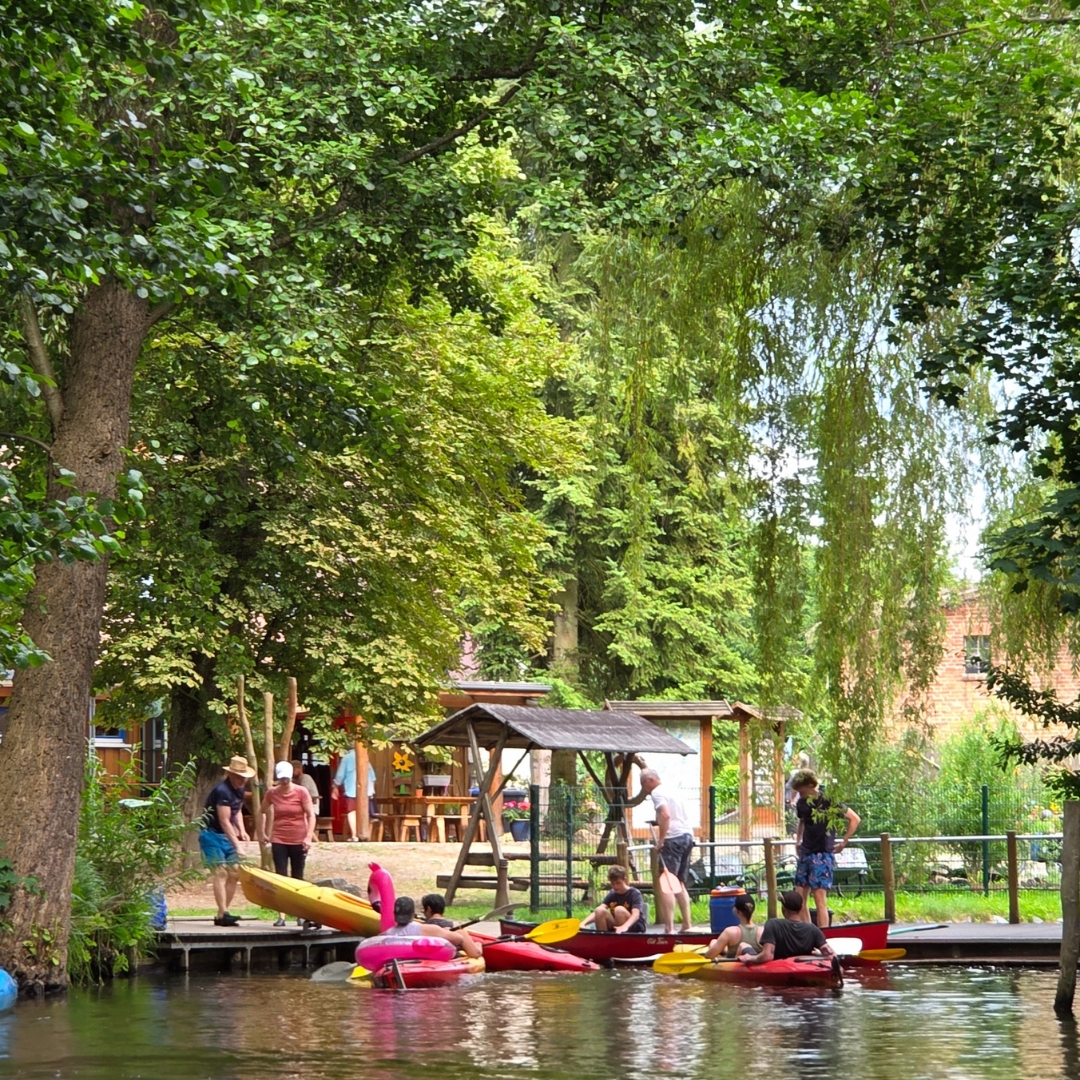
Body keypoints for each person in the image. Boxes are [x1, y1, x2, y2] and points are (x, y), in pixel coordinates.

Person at [791, 768, 861, 928]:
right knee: (799, 899)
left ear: (810, 785)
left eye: (802, 791)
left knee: (819, 900)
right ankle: (808, 934)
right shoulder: (802, 803)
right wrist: (798, 839)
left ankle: (823, 939)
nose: (800, 795)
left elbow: (854, 819)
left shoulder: (828, 801)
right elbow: (803, 820)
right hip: (805, 853)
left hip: (822, 854)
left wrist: (844, 842)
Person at [259, 759, 317, 926]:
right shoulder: (272, 793)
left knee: (298, 876)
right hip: (279, 838)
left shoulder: (301, 792)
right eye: (282, 779)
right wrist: (262, 832)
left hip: (298, 838)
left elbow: (311, 815)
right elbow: (261, 811)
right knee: (281, 876)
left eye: (287, 779)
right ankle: (282, 915)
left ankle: (299, 912)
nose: (285, 782)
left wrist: (308, 837)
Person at [199, 754, 254, 927]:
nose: (242, 780)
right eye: (239, 777)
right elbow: (224, 820)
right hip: (211, 834)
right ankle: (223, 913)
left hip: (226, 835)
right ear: (230, 774)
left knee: (235, 872)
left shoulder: (239, 789)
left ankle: (223, 913)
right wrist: (237, 845)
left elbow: (236, 810)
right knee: (220, 872)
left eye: (244, 777)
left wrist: (243, 830)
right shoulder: (222, 791)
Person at [639, 767, 695, 933]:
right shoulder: (672, 789)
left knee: (667, 882)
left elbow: (666, 815)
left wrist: (661, 840)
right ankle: (687, 924)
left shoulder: (657, 793)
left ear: (650, 780)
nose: (644, 788)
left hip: (673, 839)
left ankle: (669, 927)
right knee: (679, 882)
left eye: (643, 784)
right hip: (687, 835)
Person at [739, 890, 835, 965]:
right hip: (803, 967)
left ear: (783, 909)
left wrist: (749, 958)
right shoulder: (813, 929)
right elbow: (831, 955)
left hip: (777, 970)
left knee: (743, 945)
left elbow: (767, 956)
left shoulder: (773, 924)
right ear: (801, 908)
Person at [385, 897, 482, 958]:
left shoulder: (385, 935)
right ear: (412, 914)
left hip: (401, 963)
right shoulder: (428, 929)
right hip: (423, 964)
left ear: (394, 914)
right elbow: (459, 939)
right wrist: (447, 932)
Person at [582, 865, 647, 934]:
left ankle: (621, 940)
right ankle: (604, 941)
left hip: (633, 927)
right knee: (599, 910)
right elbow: (598, 910)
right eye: (613, 884)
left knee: (619, 910)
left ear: (624, 879)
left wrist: (625, 926)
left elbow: (636, 915)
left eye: (618, 883)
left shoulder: (634, 893)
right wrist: (583, 923)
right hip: (617, 926)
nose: (615, 886)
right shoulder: (613, 893)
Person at [332, 748, 377, 841]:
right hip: (367, 790)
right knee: (365, 811)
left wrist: (335, 786)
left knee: (351, 812)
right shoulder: (365, 758)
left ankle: (355, 835)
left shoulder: (346, 758)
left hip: (352, 789)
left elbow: (340, 775)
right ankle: (365, 834)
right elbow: (373, 777)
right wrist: (372, 790)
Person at [704, 893, 761, 960]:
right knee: (714, 942)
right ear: (753, 910)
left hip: (733, 967)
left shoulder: (730, 932)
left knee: (713, 943)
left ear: (737, 911)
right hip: (756, 964)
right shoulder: (763, 931)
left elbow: (709, 956)